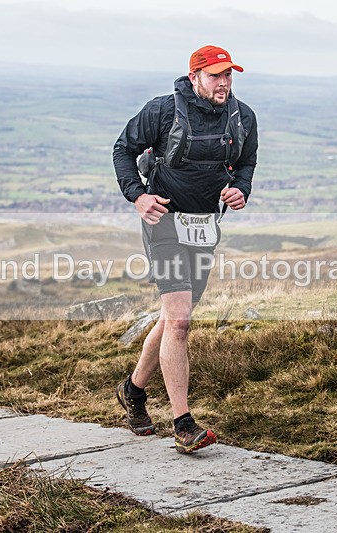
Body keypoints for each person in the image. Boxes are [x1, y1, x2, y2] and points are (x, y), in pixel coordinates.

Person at [112, 45, 258, 453]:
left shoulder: (243, 117)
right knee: (179, 321)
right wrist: (138, 196)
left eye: (229, 75)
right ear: (194, 77)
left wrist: (240, 189)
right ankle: (183, 424)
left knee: (174, 316)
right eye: (216, 75)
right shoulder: (161, 110)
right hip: (164, 221)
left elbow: (247, 162)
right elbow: (122, 150)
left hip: (204, 225)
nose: (224, 83)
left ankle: (133, 390)